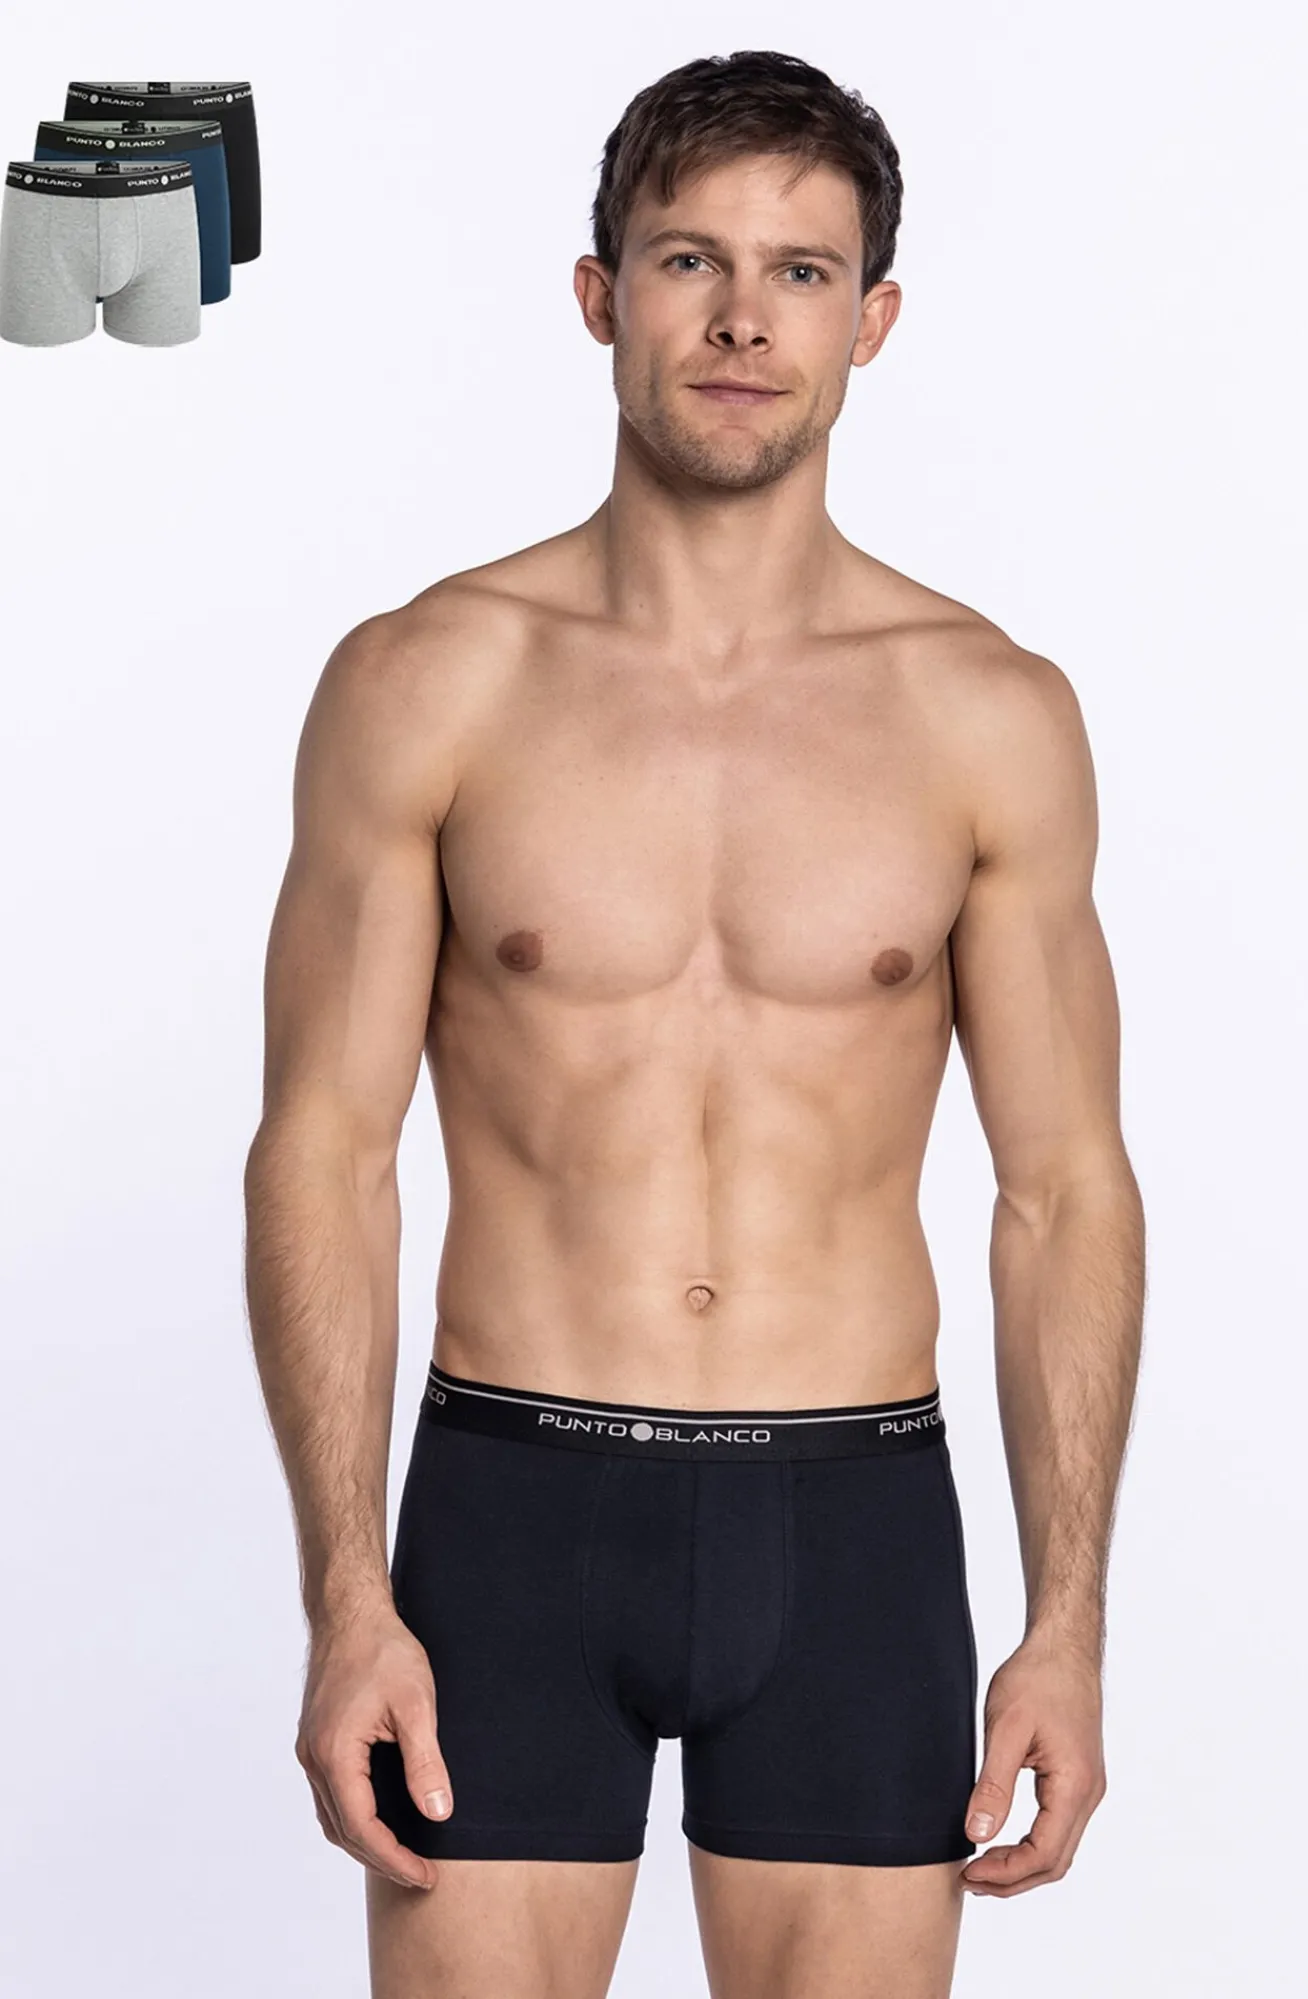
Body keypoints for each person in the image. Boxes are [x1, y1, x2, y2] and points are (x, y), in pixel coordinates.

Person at [243, 48, 1145, 1999]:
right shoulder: (431, 682)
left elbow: (1064, 1190)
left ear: (870, 321)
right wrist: (346, 1595)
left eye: (801, 272)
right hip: (513, 1509)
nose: (744, 319)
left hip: (853, 1526)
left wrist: (1067, 1617)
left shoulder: (987, 714)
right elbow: (324, 1150)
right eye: (689, 261)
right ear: (601, 295)